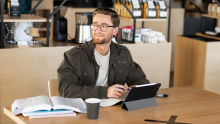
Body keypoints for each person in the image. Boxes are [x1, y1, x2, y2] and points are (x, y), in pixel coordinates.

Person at [57, 7, 150, 100]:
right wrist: (105, 92)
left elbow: (140, 79)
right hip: (86, 108)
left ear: (115, 30)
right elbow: (66, 89)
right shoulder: (73, 56)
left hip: (114, 108)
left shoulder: (123, 53)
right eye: (95, 25)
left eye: (104, 26)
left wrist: (136, 88)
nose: (98, 30)